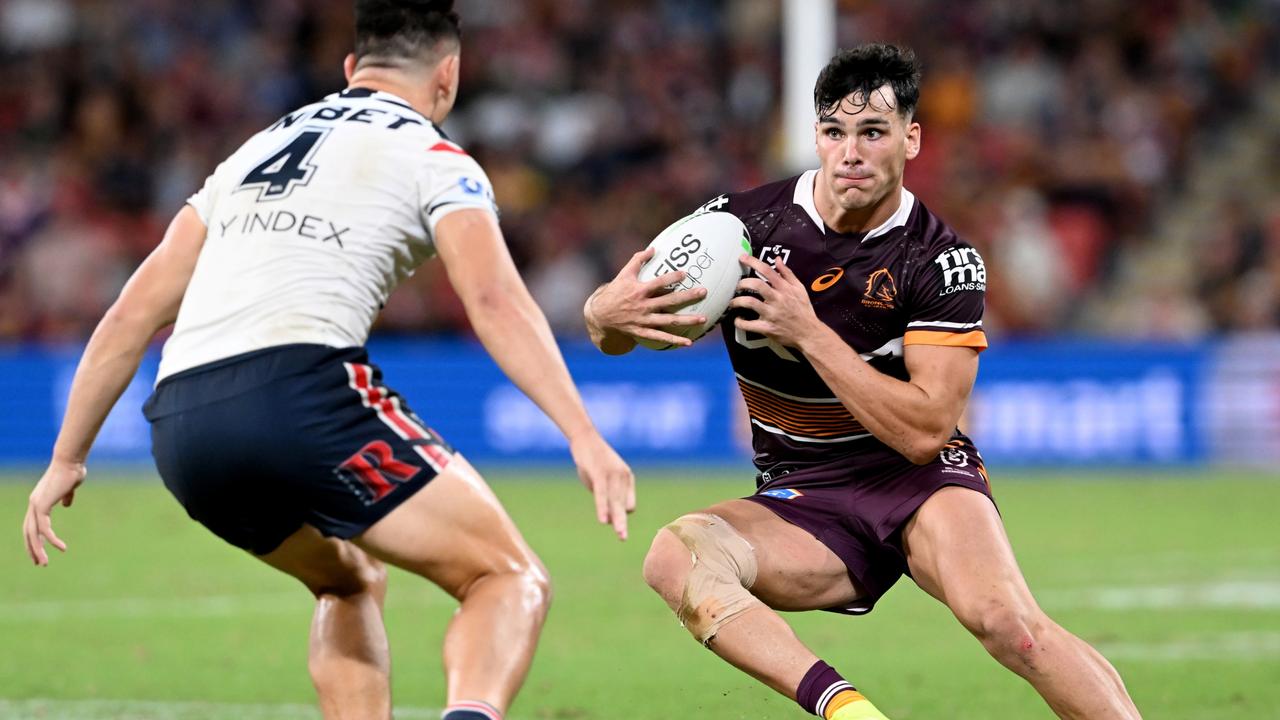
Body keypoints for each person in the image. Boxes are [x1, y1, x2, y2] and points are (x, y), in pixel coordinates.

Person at [22, 2, 636, 719]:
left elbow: (131, 313)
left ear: (351, 70)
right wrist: (582, 434)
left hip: (183, 425)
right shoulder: (435, 157)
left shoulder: (253, 150)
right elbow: (495, 302)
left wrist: (68, 457)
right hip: (301, 392)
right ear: (448, 77)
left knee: (346, 581)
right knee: (507, 577)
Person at [585, 44, 1141, 720]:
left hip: (921, 482)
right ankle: (850, 712)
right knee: (674, 558)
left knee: (1008, 624)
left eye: (872, 132)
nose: (850, 151)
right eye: (834, 131)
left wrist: (810, 332)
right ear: (817, 135)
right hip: (805, 496)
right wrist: (602, 314)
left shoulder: (942, 260)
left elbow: (926, 430)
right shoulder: (740, 231)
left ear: (910, 138)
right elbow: (621, 334)